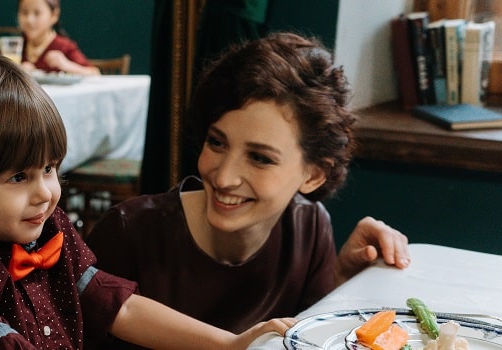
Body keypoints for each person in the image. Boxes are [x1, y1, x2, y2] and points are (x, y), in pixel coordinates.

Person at [0, 45, 294, 349]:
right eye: (17, 177)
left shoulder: (44, 230)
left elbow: (121, 306)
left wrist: (228, 343)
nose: (45, 193)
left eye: (49, 169)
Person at [85, 32, 411, 348]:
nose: (225, 177)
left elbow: (308, 340)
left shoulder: (309, 227)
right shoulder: (130, 231)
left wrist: (342, 280)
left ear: (313, 175)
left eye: (259, 158)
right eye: (216, 142)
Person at [17, 0, 100, 76]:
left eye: (37, 13)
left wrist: (66, 64)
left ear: (54, 15)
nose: (29, 20)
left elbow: (95, 73)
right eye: (24, 12)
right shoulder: (15, 45)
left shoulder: (64, 46)